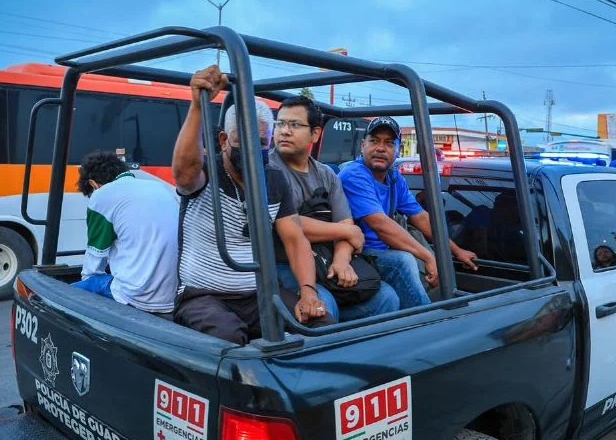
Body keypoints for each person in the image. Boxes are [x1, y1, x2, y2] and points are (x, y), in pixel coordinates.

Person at [171, 65, 332, 345]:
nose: (251, 150)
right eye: (241, 140)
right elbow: (184, 172)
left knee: (320, 325)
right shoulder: (207, 173)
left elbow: (295, 241)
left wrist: (308, 292)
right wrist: (198, 105)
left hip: (256, 293)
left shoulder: (273, 180)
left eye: (259, 142)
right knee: (228, 336)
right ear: (223, 140)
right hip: (203, 295)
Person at [269, 95, 400, 321]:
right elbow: (290, 225)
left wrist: (341, 259)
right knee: (324, 306)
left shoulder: (326, 174)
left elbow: (345, 222)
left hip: (327, 259)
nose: (284, 131)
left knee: (387, 298)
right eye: (280, 124)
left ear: (315, 134)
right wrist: (347, 232)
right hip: (284, 263)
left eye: (294, 125)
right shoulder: (267, 170)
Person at [339, 116, 479, 309]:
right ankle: (427, 326)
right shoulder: (354, 174)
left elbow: (421, 217)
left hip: (382, 252)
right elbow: (381, 225)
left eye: (389, 143)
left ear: (398, 150)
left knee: (434, 259)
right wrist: (428, 257)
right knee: (403, 261)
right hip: (356, 253)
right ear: (363, 145)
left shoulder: (394, 178)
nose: (380, 148)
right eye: (374, 141)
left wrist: (455, 250)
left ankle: (446, 310)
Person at [73, 151, 179, 319]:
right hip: (173, 297)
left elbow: (94, 263)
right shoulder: (160, 187)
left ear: (93, 184)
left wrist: (89, 282)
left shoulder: (102, 196)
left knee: (71, 293)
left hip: (137, 296)